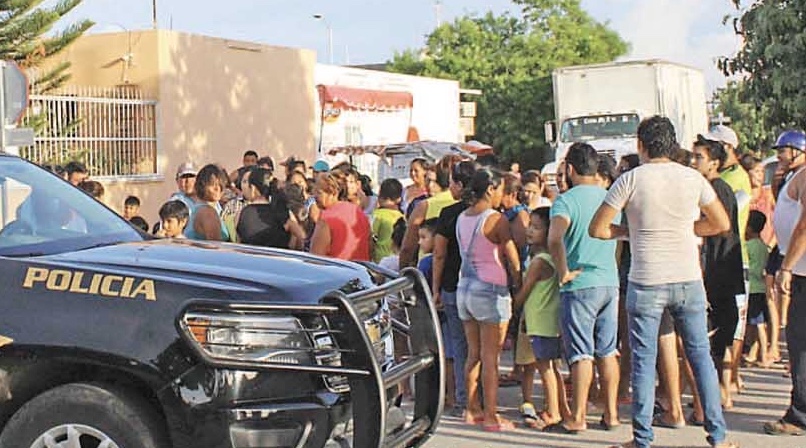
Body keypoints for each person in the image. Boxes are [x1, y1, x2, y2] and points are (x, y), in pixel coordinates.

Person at [589, 115, 735, 448]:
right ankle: (718, 436)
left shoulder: (630, 180)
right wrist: (687, 230)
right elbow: (720, 223)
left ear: (641, 145)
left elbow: (598, 229)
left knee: (642, 360)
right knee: (700, 357)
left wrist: (629, 233)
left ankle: (642, 439)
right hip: (688, 278)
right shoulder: (692, 178)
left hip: (646, 280)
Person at [548, 142, 620, 433]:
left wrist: (563, 270)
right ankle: (612, 414)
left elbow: (554, 238)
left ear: (571, 169)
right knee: (608, 350)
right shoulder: (610, 197)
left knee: (581, 353)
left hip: (579, 283)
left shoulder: (565, 201)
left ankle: (578, 416)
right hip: (608, 281)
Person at [456, 168, 521, 432]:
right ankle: (492, 416)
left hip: (465, 288)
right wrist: (517, 284)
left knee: (473, 354)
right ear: (491, 189)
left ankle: (472, 410)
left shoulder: (462, 217)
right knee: (491, 358)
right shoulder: (495, 219)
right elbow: (512, 257)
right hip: (490, 290)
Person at [691, 136, 743, 410]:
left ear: (714, 162)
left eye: (699, 156)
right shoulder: (707, 187)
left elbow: (720, 228)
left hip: (719, 269)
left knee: (718, 332)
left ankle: (721, 390)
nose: (693, 161)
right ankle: (719, 390)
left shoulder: (717, 189)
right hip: (715, 269)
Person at [703, 125, 752, 393]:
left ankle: (727, 382)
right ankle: (727, 381)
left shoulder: (728, 182)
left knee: (729, 324)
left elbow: (720, 223)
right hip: (721, 257)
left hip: (728, 257)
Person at [764, 129, 806, 437]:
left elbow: (804, 225)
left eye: (783, 151)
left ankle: (800, 415)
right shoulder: (794, 177)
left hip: (802, 271)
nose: (778, 156)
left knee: (800, 344)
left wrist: (787, 267)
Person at [513, 207, 570, 430]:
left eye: (536, 227)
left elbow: (525, 292)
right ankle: (558, 408)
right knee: (549, 367)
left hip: (540, 320)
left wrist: (513, 307)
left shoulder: (540, 261)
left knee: (545, 368)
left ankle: (553, 412)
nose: (529, 231)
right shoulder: (549, 258)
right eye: (530, 225)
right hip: (544, 319)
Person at [432, 161, 476, 418]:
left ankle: (463, 397)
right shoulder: (487, 211)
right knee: (480, 346)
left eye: (452, 182)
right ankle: (478, 396)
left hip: (452, 284)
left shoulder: (449, 214)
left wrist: (435, 288)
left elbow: (439, 254)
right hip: (483, 284)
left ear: (459, 185)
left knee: (460, 345)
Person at [400, 155, 461, 269]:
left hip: (429, 269)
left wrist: (401, 272)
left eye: (430, 181)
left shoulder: (425, 206)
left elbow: (407, 247)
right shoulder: (465, 204)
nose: (428, 185)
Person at [237, 167, 306, 249]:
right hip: (279, 259)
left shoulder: (241, 214)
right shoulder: (283, 213)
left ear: (253, 188)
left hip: (250, 260)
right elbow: (301, 236)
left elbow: (239, 243)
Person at [310, 172, 371, 261]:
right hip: (359, 270)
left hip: (336, 272)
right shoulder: (357, 211)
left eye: (318, 192)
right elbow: (370, 245)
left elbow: (315, 258)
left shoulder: (326, 219)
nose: (314, 196)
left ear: (333, 192)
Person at [745, 210, 772, 368]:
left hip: (752, 287)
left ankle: (763, 355)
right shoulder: (763, 246)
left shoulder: (748, 246)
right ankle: (754, 353)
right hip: (760, 287)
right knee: (757, 323)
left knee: (758, 324)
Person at [186, 164, 230, 242]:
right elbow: (215, 247)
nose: (217, 188)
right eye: (212, 185)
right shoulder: (208, 212)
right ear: (202, 185)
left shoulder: (197, 208)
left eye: (220, 185)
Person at [372, 178, 404, 263]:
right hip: (396, 257)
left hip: (379, 259)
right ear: (399, 199)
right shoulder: (402, 217)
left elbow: (371, 236)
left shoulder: (377, 215)